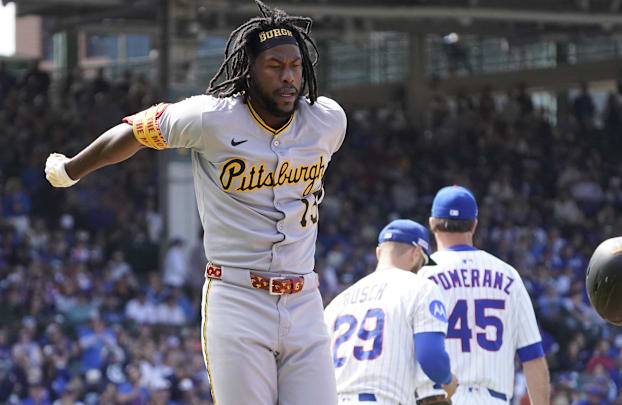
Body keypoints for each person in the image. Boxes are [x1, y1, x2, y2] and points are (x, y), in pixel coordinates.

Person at [44, 1, 347, 403]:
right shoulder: (210, 118)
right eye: (275, 66)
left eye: (295, 65)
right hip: (239, 298)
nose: (289, 76)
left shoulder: (328, 121)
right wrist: (71, 169)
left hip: (305, 299)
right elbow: (133, 132)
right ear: (248, 73)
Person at [416, 186, 550, 405]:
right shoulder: (509, 276)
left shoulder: (421, 278)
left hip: (438, 397)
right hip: (492, 398)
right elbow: (533, 357)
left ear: (432, 223)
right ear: (474, 224)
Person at [324, 219, 458, 405]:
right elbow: (431, 357)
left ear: (379, 253)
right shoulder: (421, 288)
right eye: (423, 263)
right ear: (416, 253)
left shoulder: (337, 303)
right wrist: (448, 380)